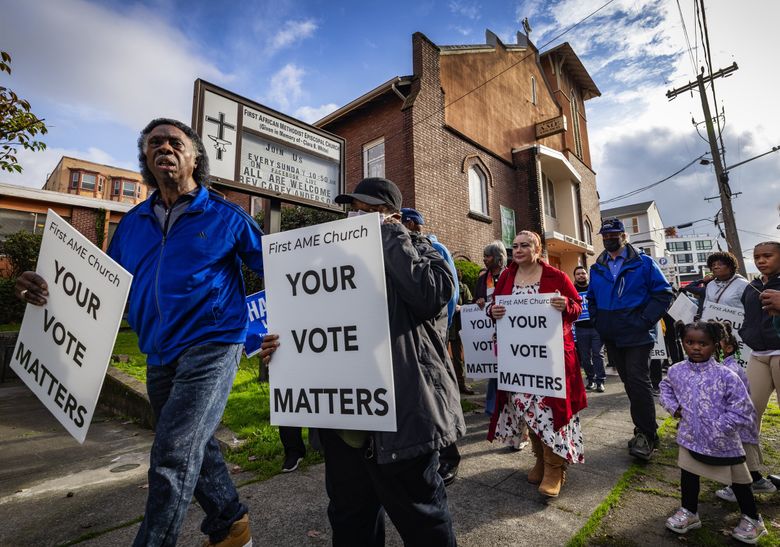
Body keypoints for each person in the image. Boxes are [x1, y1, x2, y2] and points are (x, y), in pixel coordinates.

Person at [15, 118, 262, 547]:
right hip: (158, 351)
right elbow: (97, 287)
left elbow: (281, 270)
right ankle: (231, 525)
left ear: (195, 155)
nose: (164, 147)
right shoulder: (130, 226)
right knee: (192, 446)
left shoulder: (227, 217)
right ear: (145, 157)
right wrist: (40, 286)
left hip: (214, 344)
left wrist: (270, 334)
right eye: (154, 142)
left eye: (174, 141)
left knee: (171, 454)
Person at [261, 177, 464, 546]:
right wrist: (282, 347)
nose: (357, 217)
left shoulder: (425, 251)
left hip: (404, 420)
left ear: (395, 216)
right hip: (344, 426)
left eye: (369, 211)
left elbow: (429, 294)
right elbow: (313, 328)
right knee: (351, 523)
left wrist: (390, 236)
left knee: (424, 521)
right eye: (353, 210)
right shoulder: (329, 265)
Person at [486, 231, 588, 497]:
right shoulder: (507, 276)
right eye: (515, 246)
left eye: (525, 245)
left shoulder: (556, 276)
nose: (518, 250)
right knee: (526, 407)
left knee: (550, 408)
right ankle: (540, 459)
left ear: (537, 248)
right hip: (518, 357)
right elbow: (494, 305)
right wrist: (492, 311)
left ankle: (555, 466)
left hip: (550, 356)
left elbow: (577, 307)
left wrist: (565, 304)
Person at [660, 320, 766, 544]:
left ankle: (752, 518)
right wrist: (675, 408)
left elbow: (742, 409)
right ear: (682, 342)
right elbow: (665, 387)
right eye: (690, 342)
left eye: (703, 343)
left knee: (739, 480)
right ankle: (689, 512)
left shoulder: (728, 376)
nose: (696, 348)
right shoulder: (676, 371)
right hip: (689, 437)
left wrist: (721, 428)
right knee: (688, 474)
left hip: (725, 442)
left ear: (716, 345)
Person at [587, 218, 673, 461]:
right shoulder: (597, 267)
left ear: (624, 236)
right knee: (629, 383)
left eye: (613, 234)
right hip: (611, 335)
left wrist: (644, 320)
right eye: (604, 235)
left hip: (637, 334)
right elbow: (592, 299)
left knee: (638, 382)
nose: (608, 239)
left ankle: (646, 434)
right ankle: (645, 431)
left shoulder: (643, 263)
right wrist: (598, 321)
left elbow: (664, 294)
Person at [401, 206, 462, 486]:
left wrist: (441, 328)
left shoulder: (435, 247)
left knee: (437, 392)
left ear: (412, 224)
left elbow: (450, 291)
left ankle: (450, 456)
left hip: (433, 328)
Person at [736, 241, 780, 496]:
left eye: (767, 255)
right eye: (756, 256)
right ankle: (749, 474)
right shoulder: (751, 287)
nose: (761, 260)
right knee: (748, 412)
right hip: (758, 354)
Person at [473, 240, 507, 416]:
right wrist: (478, 301)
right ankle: (492, 408)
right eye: (484, 256)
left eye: (488, 256)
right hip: (490, 332)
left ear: (498, 257)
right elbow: (475, 302)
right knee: (494, 370)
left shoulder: (509, 275)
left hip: (508, 331)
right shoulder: (482, 279)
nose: (485, 259)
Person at [572, 265, 605, 392]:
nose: (581, 275)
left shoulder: (594, 288)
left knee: (598, 354)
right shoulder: (572, 290)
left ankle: (600, 381)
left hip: (596, 328)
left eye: (583, 273)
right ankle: (590, 379)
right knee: (585, 357)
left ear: (587, 275)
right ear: (575, 276)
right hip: (580, 329)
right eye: (578, 274)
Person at [450, 266, 474, 394]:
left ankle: (461, 384)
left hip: (457, 327)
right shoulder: (444, 285)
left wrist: (462, 307)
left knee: (458, 358)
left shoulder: (463, 288)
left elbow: (471, 304)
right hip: (444, 327)